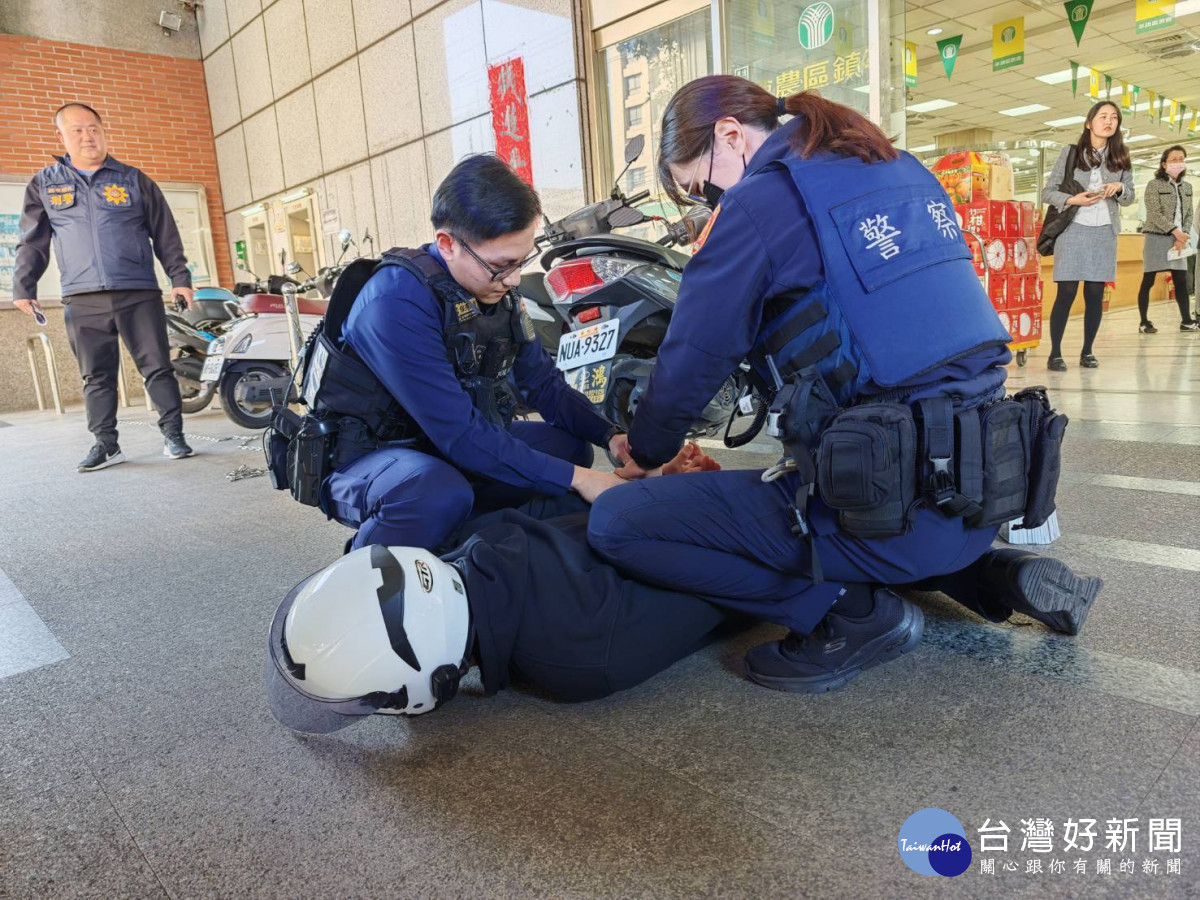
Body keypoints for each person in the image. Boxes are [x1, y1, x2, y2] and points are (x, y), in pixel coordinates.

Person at [577, 75, 1102, 694]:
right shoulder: (898, 165)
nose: (709, 204)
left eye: (701, 186)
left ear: (729, 134)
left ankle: (850, 613)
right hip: (985, 484)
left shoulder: (760, 202)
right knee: (886, 500)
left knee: (618, 521)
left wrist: (645, 451)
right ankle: (995, 575)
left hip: (885, 495)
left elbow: (692, 357)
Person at [265, 469, 1090, 732]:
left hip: (717, 556)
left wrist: (809, 588)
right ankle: (994, 568)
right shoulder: (481, 548)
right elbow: (578, 517)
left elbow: (711, 597)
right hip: (668, 518)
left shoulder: (571, 661)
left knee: (818, 554)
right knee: (830, 520)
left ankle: (927, 587)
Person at [313, 154, 628, 553]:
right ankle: (361, 583)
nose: (514, 279)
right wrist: (582, 479)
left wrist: (612, 437)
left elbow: (545, 387)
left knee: (566, 448)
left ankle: (467, 548)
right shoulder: (396, 300)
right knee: (434, 492)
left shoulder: (496, 291)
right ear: (447, 244)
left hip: (441, 444)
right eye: (501, 265)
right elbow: (459, 433)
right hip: (371, 458)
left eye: (520, 261)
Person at [12, 102, 196, 470]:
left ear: (103, 131)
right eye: (78, 130)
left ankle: (174, 436)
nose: (88, 136)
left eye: (94, 128)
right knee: (95, 375)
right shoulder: (45, 184)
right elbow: (32, 240)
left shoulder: (133, 179)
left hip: (137, 291)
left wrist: (180, 278)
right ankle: (106, 444)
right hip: (82, 297)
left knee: (158, 366)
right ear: (61, 136)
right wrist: (23, 286)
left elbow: (164, 233)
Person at [1041, 101, 1136, 370]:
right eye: (1103, 116)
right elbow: (1047, 192)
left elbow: (1130, 197)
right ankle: (1056, 353)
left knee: (1095, 293)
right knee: (1067, 291)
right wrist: (1073, 199)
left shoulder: (1121, 156)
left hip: (1105, 231)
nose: (1109, 121)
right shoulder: (1071, 153)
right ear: (1089, 123)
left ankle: (1087, 351)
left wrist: (1119, 187)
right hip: (1073, 229)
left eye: (1114, 117)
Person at [1137, 145, 1197, 333]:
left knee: (1180, 279)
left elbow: (1188, 214)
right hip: (1157, 237)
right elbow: (1154, 213)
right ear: (1164, 164)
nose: (1178, 162)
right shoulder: (1154, 185)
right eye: (1174, 159)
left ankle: (1186, 321)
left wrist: (1182, 236)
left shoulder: (1187, 187)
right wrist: (1175, 231)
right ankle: (1144, 322)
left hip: (1178, 240)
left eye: (1181, 159)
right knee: (1149, 279)